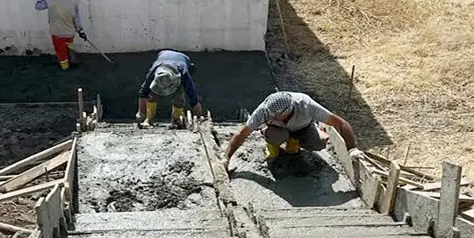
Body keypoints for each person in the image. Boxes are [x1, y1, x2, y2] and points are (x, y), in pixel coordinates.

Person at [224, 91, 363, 170]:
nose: (271, 116)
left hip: (303, 127)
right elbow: (241, 134)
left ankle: (294, 141)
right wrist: (226, 158)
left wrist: (352, 149)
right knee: (275, 137)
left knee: (318, 143)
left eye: (275, 115)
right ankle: (274, 144)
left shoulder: (307, 105)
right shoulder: (264, 111)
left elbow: (341, 123)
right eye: (270, 114)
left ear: (287, 112)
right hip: (277, 130)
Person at [137, 50, 204, 128]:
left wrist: (199, 118)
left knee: (179, 96)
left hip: (182, 61)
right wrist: (141, 114)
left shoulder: (183, 73)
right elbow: (143, 92)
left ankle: (176, 120)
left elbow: (193, 97)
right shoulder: (154, 71)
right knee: (151, 94)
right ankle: (148, 119)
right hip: (163, 56)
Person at [35, 0, 87, 70]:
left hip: (57, 33)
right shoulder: (73, 5)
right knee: (69, 46)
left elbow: (38, 6)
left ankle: (65, 67)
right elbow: (77, 21)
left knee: (61, 51)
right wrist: (81, 32)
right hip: (70, 33)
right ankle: (73, 60)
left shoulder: (50, 2)